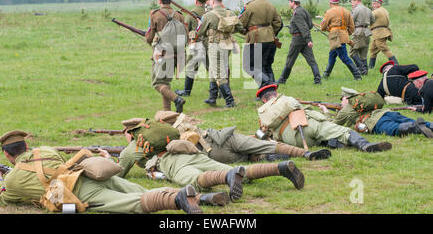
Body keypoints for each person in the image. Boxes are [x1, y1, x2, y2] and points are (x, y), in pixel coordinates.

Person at [0, 130, 206, 214]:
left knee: (131, 202)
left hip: (78, 193)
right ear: (26, 147)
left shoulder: (13, 179)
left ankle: (178, 200)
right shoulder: (45, 150)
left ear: (7, 155)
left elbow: (6, 196)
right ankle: (199, 197)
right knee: (135, 189)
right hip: (90, 173)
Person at [117, 119, 306, 203]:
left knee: (195, 181)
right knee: (240, 171)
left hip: (172, 163)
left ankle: (228, 177)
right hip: (193, 153)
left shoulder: (132, 148)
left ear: (130, 133)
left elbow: (117, 173)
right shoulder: (157, 132)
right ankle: (279, 168)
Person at [154, 110, 331, 163]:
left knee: (249, 155)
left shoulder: (164, 139)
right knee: (268, 145)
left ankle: (265, 157)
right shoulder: (184, 123)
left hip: (215, 158)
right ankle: (305, 154)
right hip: (223, 138)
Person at [256, 85, 392, 152]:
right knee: (342, 131)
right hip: (307, 126)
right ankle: (365, 145)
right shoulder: (286, 99)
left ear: (264, 100)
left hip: (292, 141)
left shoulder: (263, 114)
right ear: (276, 93)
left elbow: (264, 135)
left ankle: (333, 144)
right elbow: (299, 107)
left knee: (322, 139)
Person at [318, 87, 433, 138]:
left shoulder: (347, 109)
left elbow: (333, 124)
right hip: (387, 113)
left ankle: (415, 128)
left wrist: (325, 111)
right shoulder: (363, 101)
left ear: (346, 98)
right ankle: (428, 125)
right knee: (408, 120)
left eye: (342, 99)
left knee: (395, 129)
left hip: (375, 122)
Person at [196, 0, 243, 108]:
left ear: (212, 1)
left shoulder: (208, 15)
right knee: (213, 69)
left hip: (215, 45)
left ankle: (230, 101)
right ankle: (212, 98)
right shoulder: (230, 13)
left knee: (218, 73)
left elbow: (200, 32)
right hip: (227, 44)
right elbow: (240, 27)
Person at [145, 0, 188, 113]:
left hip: (162, 52)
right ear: (171, 1)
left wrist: (150, 41)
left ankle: (177, 99)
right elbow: (185, 34)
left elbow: (149, 37)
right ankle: (167, 112)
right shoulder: (179, 15)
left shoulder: (155, 14)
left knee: (157, 83)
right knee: (166, 82)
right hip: (178, 53)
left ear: (159, 1)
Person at [239, 0, 283, 88]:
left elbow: (240, 23)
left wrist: (245, 32)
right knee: (266, 66)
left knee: (249, 66)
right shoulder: (271, 5)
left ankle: (268, 84)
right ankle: (270, 92)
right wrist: (270, 32)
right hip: (271, 39)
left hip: (256, 39)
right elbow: (278, 23)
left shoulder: (250, 6)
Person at [276, 0, 321, 85]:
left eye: (289, 2)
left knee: (290, 59)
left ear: (293, 2)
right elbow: (310, 25)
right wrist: (307, 39)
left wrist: (308, 39)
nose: (289, 4)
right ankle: (318, 80)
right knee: (311, 60)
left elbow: (304, 27)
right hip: (304, 38)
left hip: (298, 39)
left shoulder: (297, 13)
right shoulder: (304, 10)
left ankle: (282, 80)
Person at [175, 0, 210, 97]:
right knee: (212, 68)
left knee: (191, 67)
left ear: (196, 1)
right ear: (205, 2)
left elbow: (186, 30)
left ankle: (186, 91)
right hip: (209, 43)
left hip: (197, 44)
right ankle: (220, 92)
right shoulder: (210, 13)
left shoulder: (190, 15)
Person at [320, 0, 362, 80]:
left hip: (335, 37)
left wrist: (326, 28)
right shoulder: (346, 11)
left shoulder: (329, 12)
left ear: (330, 3)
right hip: (343, 35)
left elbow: (323, 27)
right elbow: (351, 27)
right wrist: (345, 34)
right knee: (332, 55)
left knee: (344, 57)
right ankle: (326, 75)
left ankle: (357, 76)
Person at [369, 0, 398, 69]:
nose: (373, 5)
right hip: (381, 32)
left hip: (379, 33)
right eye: (372, 3)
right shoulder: (384, 10)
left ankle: (396, 65)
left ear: (379, 4)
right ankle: (370, 67)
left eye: (375, 3)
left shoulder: (376, 11)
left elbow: (368, 18)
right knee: (373, 50)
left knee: (385, 49)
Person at [348, 0, 374, 75]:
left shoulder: (356, 10)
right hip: (367, 32)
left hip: (358, 32)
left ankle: (362, 70)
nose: (351, 3)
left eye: (352, 1)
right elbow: (373, 20)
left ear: (356, 0)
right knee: (363, 54)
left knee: (352, 53)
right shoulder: (368, 9)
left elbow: (351, 20)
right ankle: (365, 72)